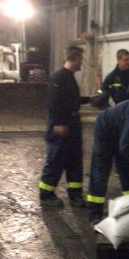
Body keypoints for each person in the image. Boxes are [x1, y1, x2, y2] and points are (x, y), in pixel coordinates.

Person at [38, 45, 88, 208]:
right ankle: (46, 195)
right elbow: (52, 103)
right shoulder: (58, 78)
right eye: (81, 59)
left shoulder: (69, 78)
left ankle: (75, 196)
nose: (82, 63)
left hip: (72, 125)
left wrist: (89, 100)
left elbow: (70, 100)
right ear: (74, 59)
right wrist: (59, 123)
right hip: (61, 126)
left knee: (74, 160)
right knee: (56, 160)